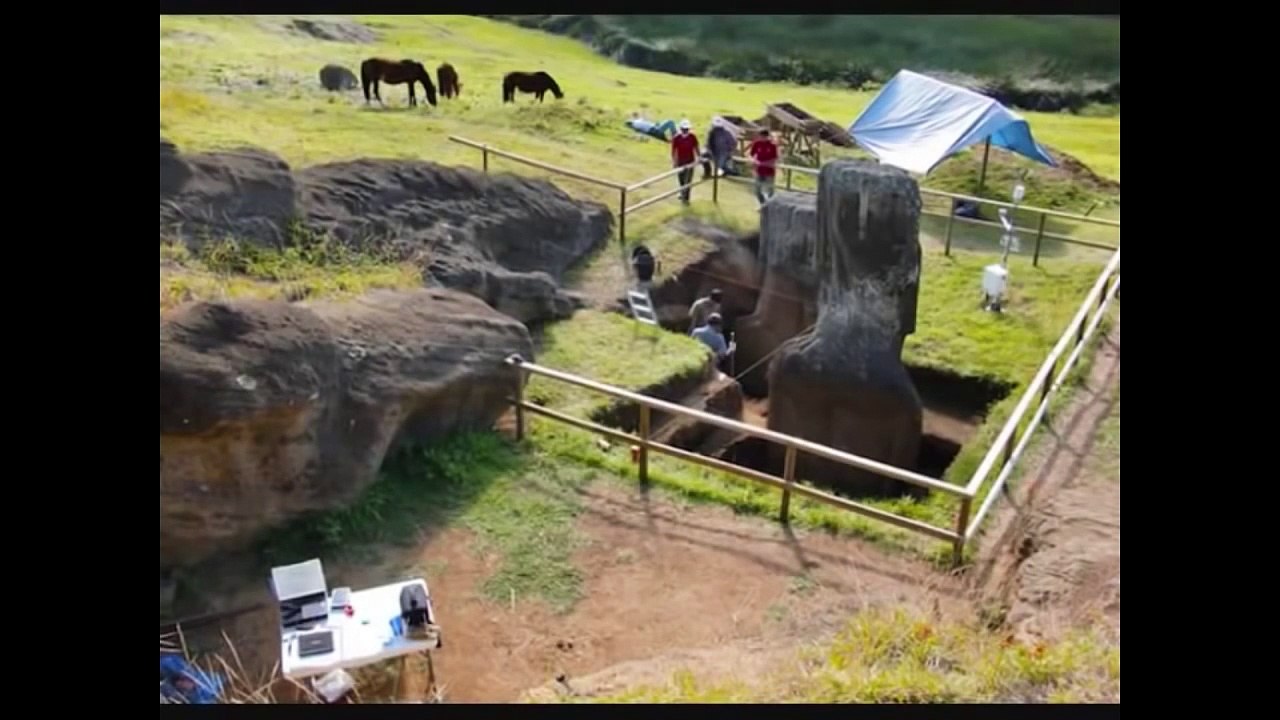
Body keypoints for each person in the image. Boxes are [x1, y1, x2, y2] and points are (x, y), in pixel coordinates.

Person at [671, 119, 700, 204]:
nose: (685, 131)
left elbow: (696, 147)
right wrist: (674, 162)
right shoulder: (677, 138)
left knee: (688, 180)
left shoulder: (692, 137)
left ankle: (686, 198)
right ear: (681, 129)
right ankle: (682, 193)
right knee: (682, 179)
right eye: (684, 129)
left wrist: (699, 157)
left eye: (686, 129)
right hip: (680, 162)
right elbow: (674, 151)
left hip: (690, 161)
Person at [748, 128, 779, 206]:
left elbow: (775, 158)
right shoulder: (757, 144)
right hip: (759, 171)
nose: (761, 138)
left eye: (763, 137)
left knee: (770, 191)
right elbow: (751, 155)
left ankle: (769, 205)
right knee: (757, 190)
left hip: (769, 171)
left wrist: (764, 163)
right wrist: (754, 161)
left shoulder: (772, 146)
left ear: (767, 136)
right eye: (760, 136)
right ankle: (763, 204)